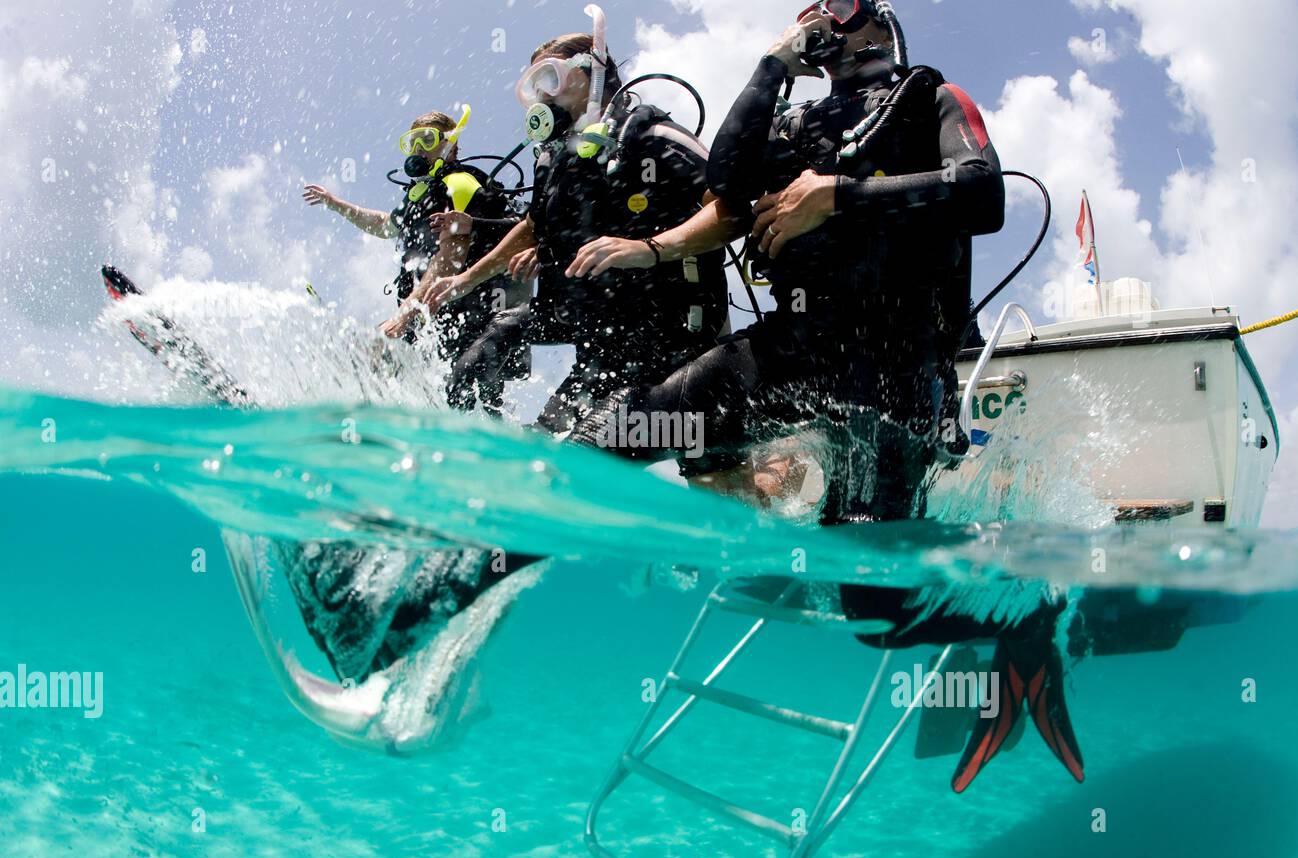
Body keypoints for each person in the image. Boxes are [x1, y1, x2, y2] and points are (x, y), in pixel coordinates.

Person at [567, 1, 1005, 525]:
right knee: (608, 437)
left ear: (881, 22)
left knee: (864, 570)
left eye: (839, 7)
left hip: (895, 370)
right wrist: (769, 68)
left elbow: (983, 192)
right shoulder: (796, 126)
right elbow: (727, 182)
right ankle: (474, 567)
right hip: (795, 345)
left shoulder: (931, 99)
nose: (821, 19)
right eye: (810, 12)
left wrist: (839, 195)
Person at [419, 18, 729, 433]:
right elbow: (531, 224)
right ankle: (467, 443)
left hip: (664, 326)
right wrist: (467, 280)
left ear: (593, 71)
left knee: (562, 447)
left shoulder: (646, 133)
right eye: (533, 88)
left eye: (551, 77)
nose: (542, 96)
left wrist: (650, 248)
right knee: (484, 355)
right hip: (592, 323)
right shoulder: (553, 160)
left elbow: (731, 207)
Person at [304, 107, 528, 411]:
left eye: (427, 139)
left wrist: (402, 317)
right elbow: (385, 225)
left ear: (451, 146)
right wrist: (336, 204)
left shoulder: (459, 184)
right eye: (412, 142)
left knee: (468, 402)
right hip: (431, 314)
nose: (419, 149)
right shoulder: (418, 194)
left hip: (475, 315)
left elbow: (450, 259)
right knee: (387, 369)